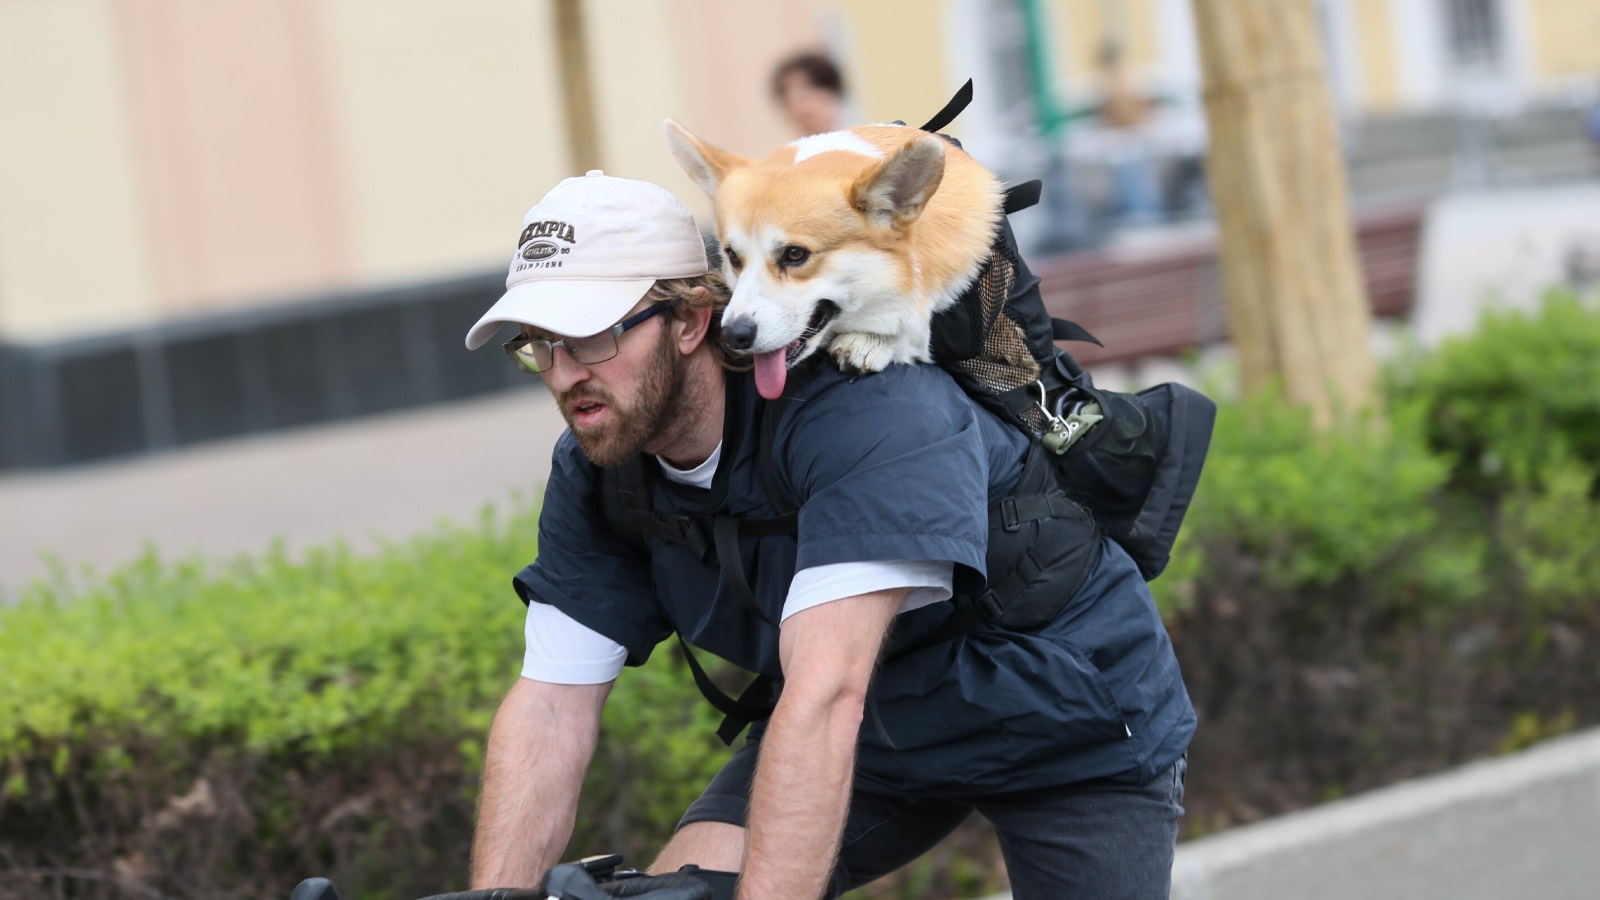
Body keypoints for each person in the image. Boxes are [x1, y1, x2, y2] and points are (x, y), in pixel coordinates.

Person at [463, 170, 1195, 900]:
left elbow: (824, 693)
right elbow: (551, 706)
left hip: (1059, 715)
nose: (562, 377)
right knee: (680, 890)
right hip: (880, 728)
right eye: (538, 346)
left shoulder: (865, 413)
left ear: (688, 321)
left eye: (589, 338)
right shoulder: (604, 462)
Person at [771, 51, 845, 136]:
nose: (796, 106)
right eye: (787, 97)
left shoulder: (856, 143)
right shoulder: (793, 148)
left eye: (804, 96)